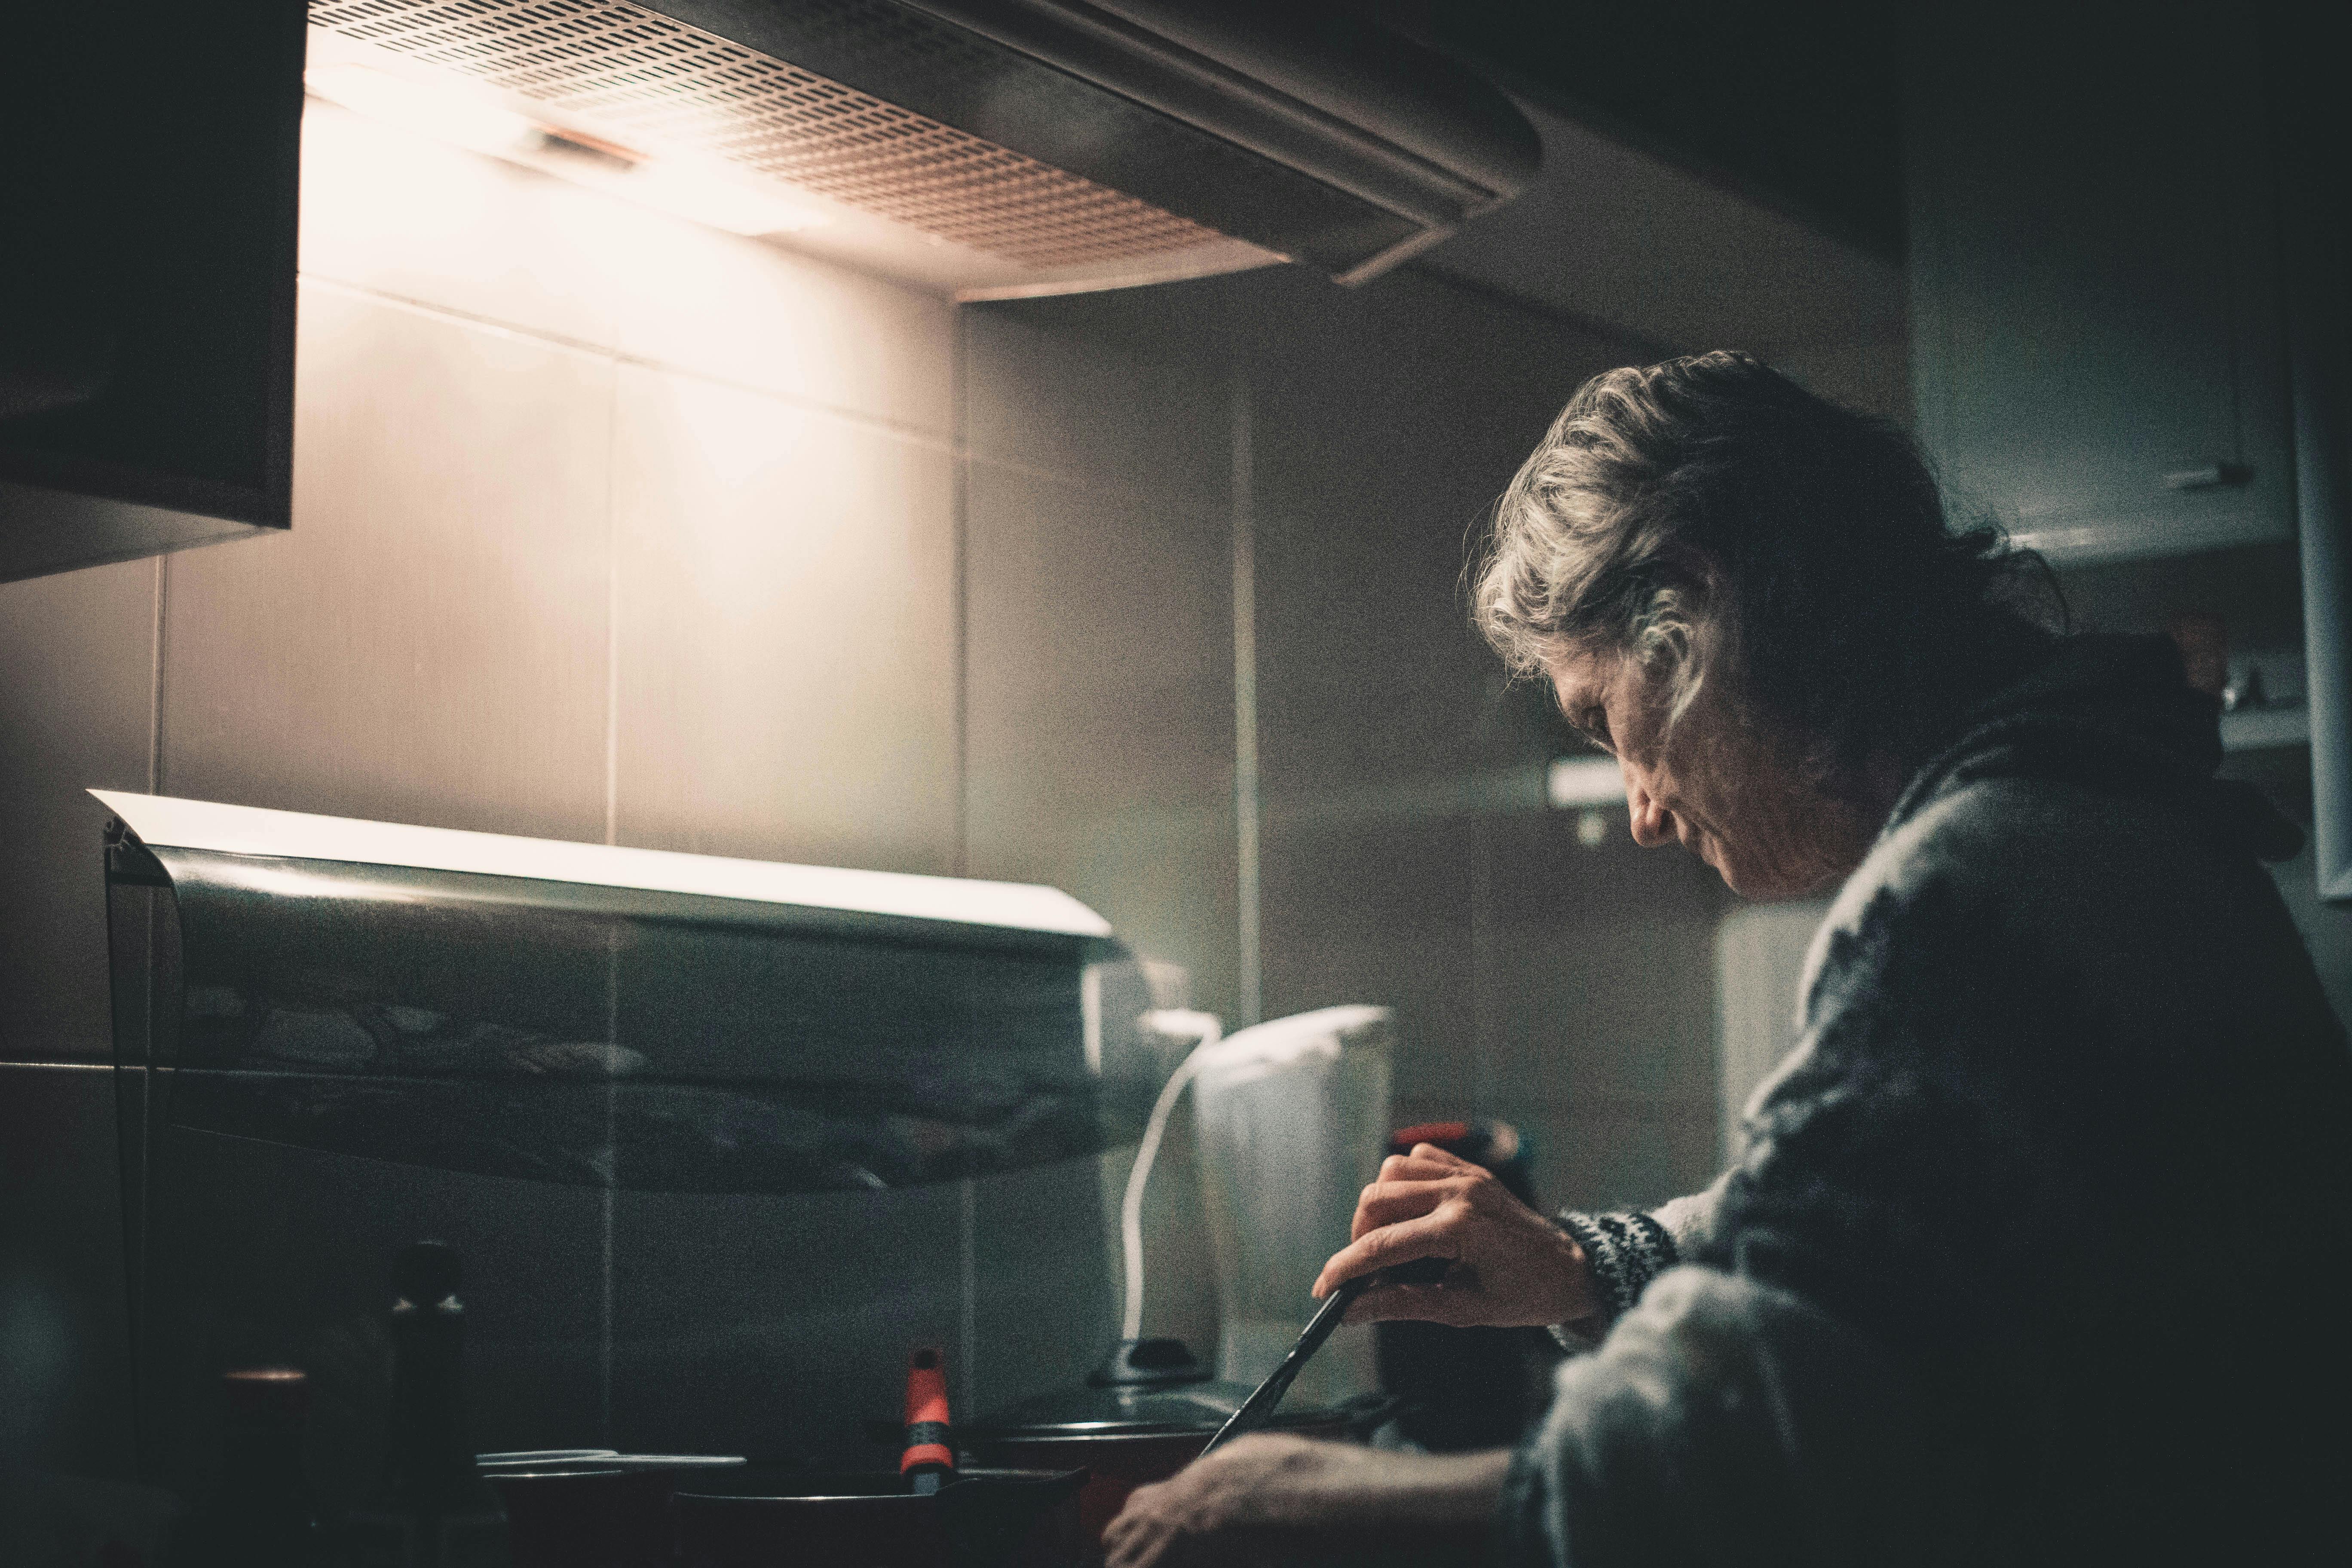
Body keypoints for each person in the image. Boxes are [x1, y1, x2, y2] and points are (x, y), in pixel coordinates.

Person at [1103, 352, 2352, 1567]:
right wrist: (1588, 1264)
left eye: (1605, 721)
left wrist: (1305, 1501)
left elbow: (1749, 1453)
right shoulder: (2092, 825)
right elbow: (1889, 1244)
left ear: (1692, 613)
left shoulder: (1982, 889)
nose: (1641, 809)